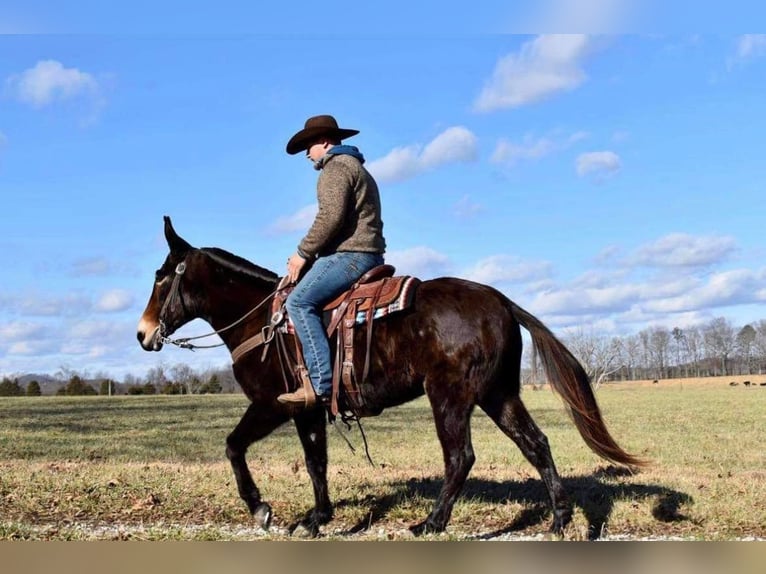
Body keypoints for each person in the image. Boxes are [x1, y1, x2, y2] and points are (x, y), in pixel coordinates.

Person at [277, 115, 386, 409]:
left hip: (352, 256)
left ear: (324, 141)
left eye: (308, 146)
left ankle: (320, 384)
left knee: (297, 302)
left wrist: (302, 253)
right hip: (368, 253)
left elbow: (330, 218)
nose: (306, 155)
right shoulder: (357, 167)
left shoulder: (335, 169)